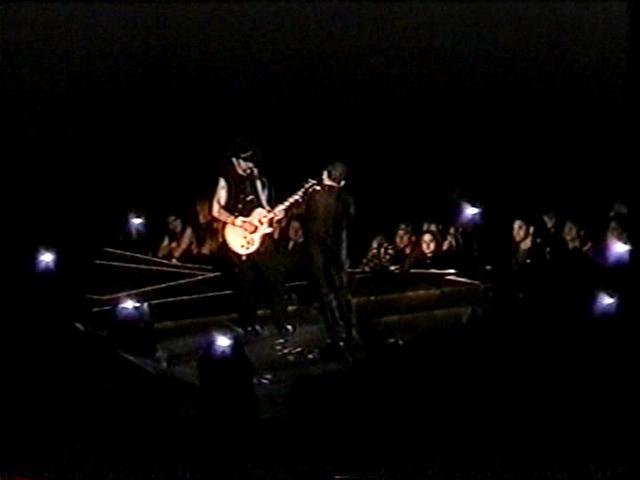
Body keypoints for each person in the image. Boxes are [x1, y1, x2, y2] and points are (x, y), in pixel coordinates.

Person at [211, 139, 293, 337]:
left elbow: (264, 206)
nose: (250, 165)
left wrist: (275, 214)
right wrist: (238, 222)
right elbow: (216, 210)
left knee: (275, 278)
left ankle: (282, 321)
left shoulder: (258, 178)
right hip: (239, 236)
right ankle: (250, 324)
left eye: (252, 162)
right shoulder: (226, 179)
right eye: (246, 161)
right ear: (235, 160)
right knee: (246, 283)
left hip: (261, 235)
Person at [304, 162, 356, 353]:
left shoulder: (314, 195)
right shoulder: (346, 198)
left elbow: (305, 216)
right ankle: (351, 333)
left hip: (319, 256)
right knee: (343, 294)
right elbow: (350, 220)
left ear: (325, 174)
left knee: (326, 296)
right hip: (338, 254)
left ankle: (336, 337)